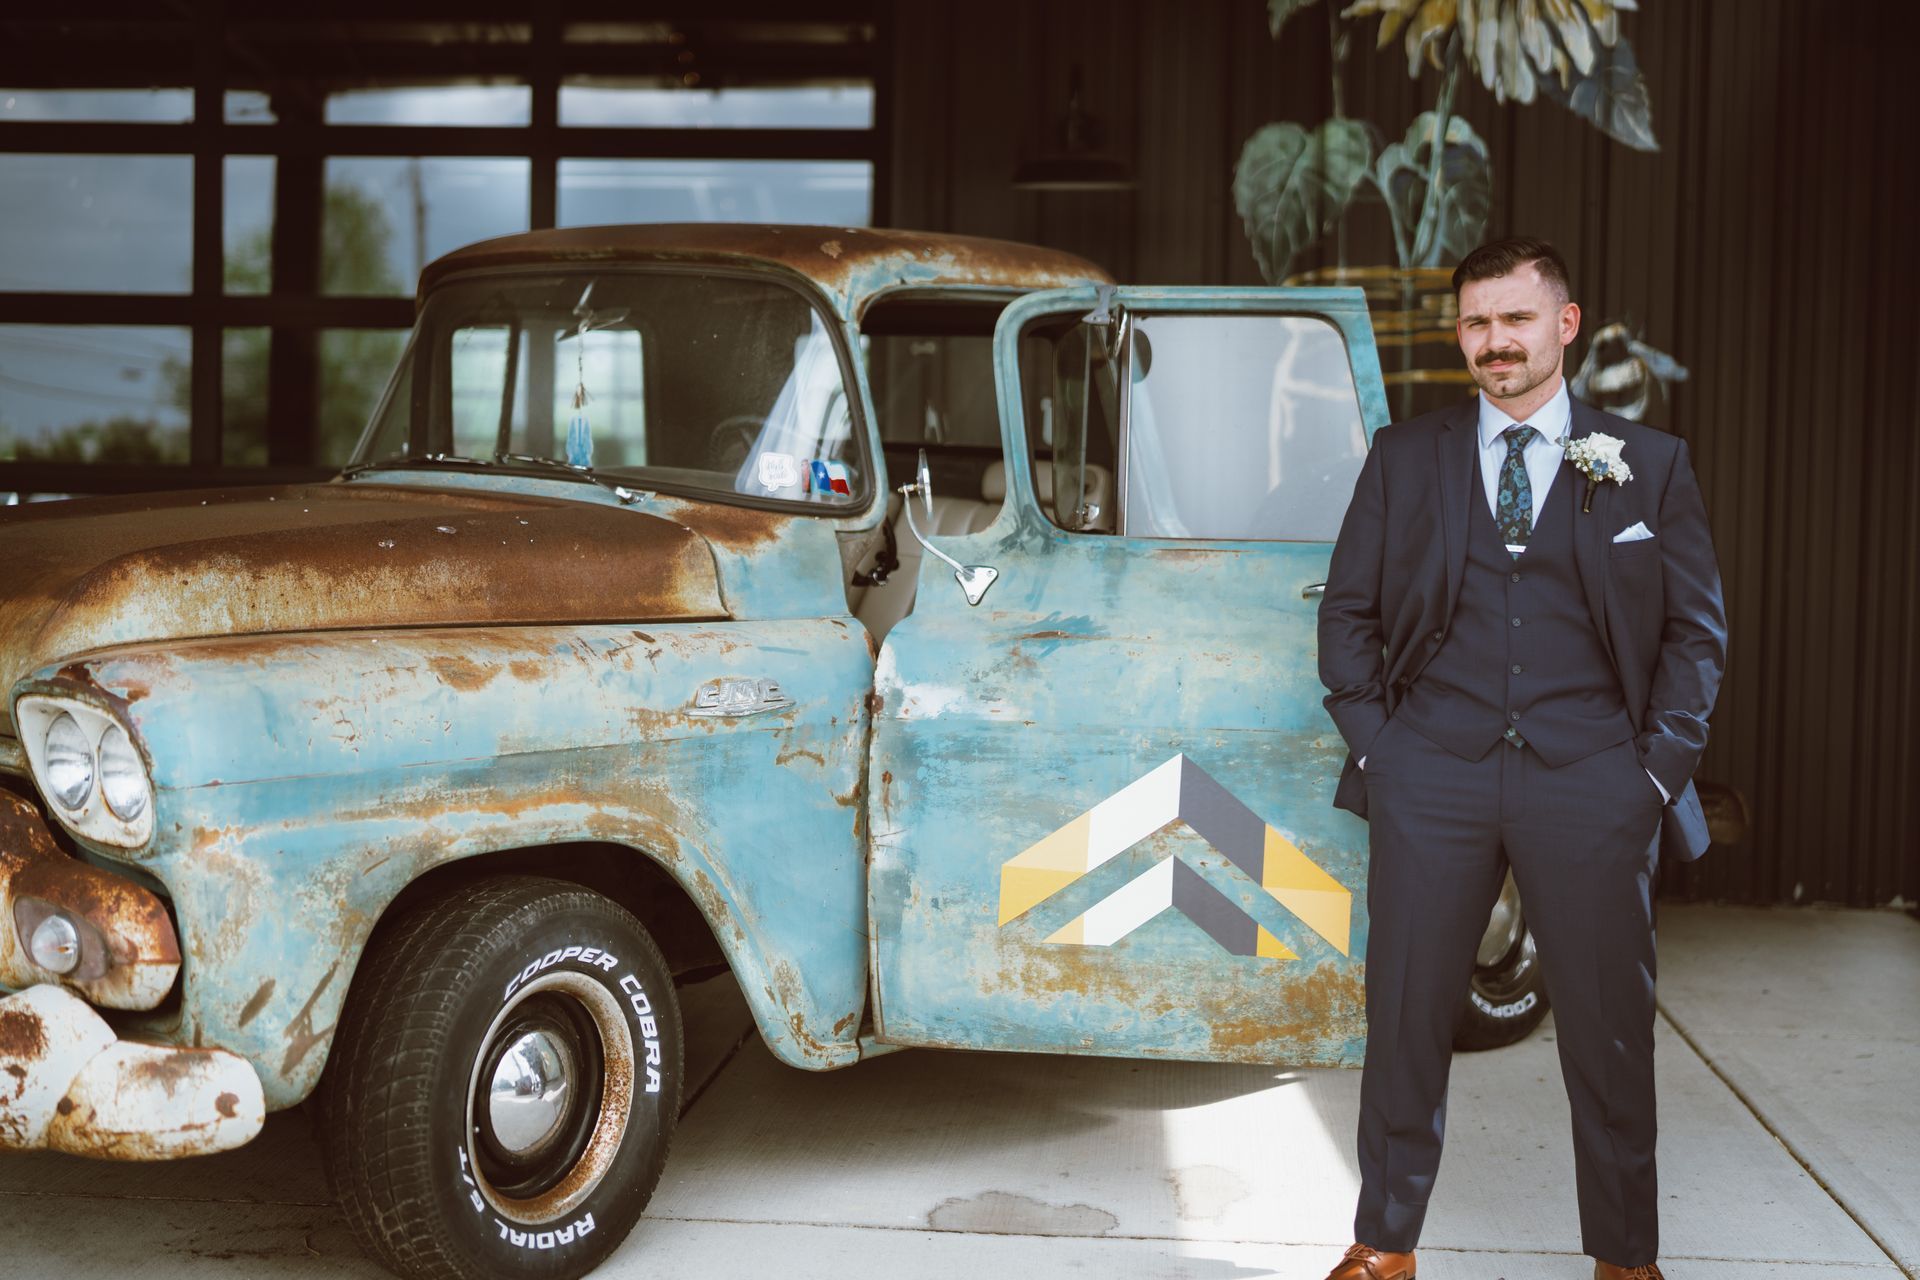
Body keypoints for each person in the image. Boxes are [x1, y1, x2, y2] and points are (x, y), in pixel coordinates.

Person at [1315, 236, 1727, 1280]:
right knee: (1406, 1016)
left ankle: (1626, 1258)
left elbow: (1695, 634)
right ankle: (1384, 1242)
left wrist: (1652, 773)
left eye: (1515, 319)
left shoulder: (1648, 463)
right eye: (1476, 324)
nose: (1495, 343)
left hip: (1593, 779)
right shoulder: (1406, 457)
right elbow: (1349, 616)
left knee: (1609, 1034)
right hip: (1434, 775)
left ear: (1565, 324)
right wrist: (1386, 751)